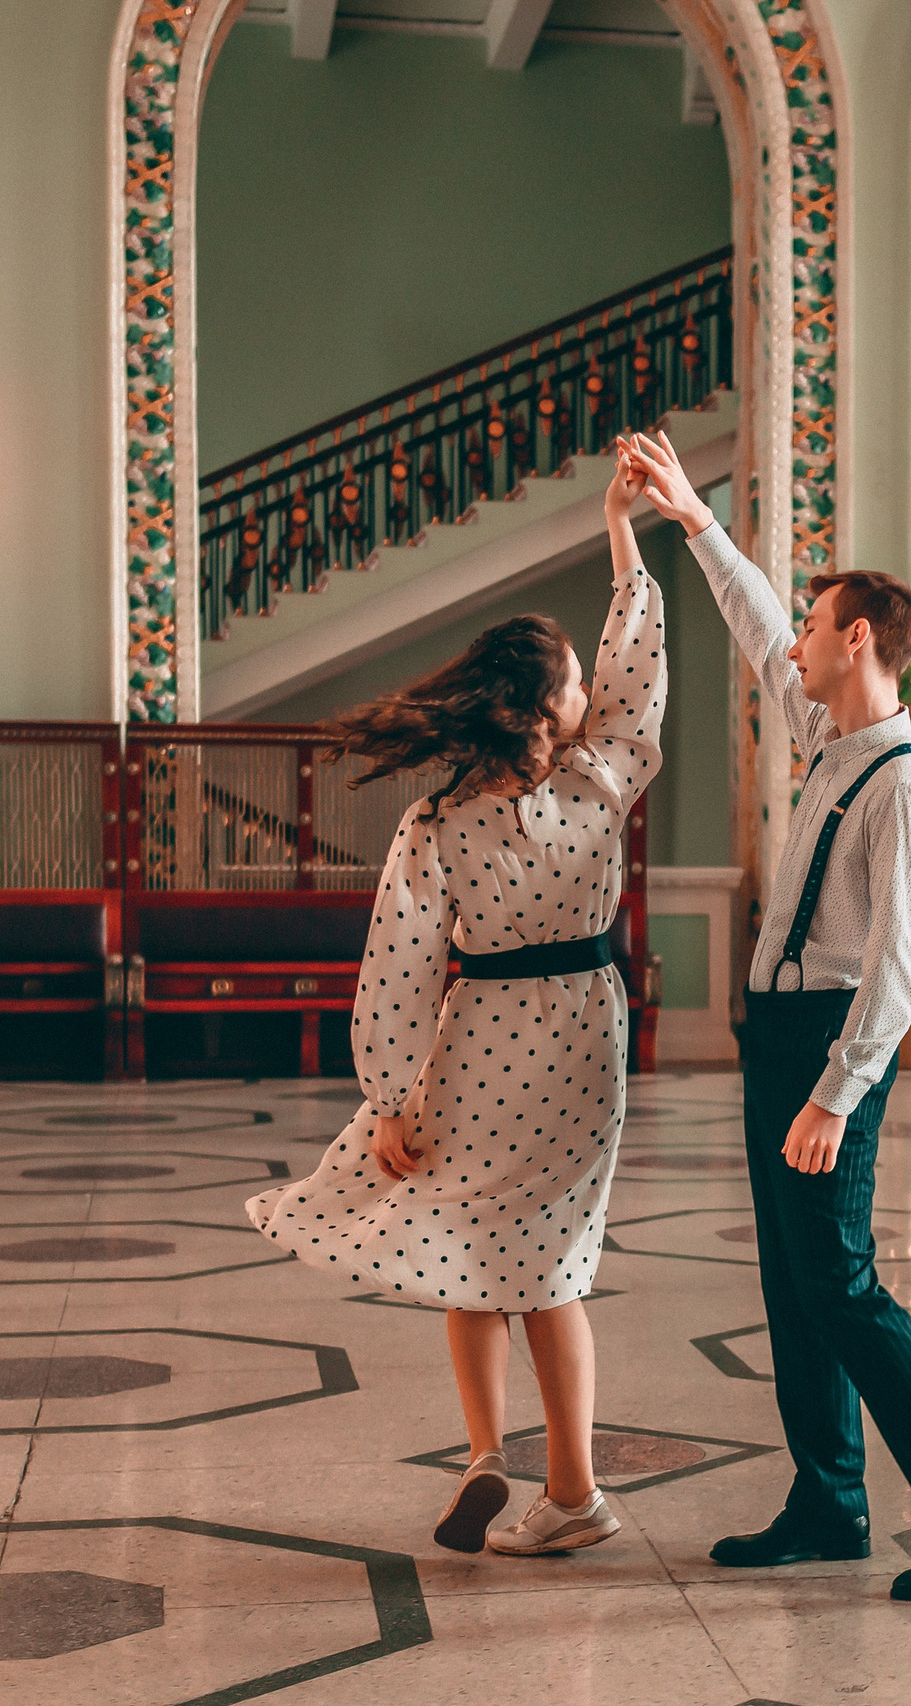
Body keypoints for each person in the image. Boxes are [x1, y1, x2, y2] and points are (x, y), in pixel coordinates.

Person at [619, 429, 911, 1602]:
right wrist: (695, 522)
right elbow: (757, 633)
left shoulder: (903, 784)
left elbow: (898, 971)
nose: (794, 637)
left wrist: (830, 1096)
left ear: (858, 639)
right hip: (779, 1037)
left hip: (828, 1049)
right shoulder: (829, 739)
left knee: (843, 1284)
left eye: (815, 622)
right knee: (793, 1284)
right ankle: (829, 1500)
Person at [247, 452, 665, 1559]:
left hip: (473, 1040)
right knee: (553, 1266)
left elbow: (396, 961)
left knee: (465, 1249)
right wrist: (623, 534)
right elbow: (638, 673)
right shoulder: (600, 781)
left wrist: (387, 1094)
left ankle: (486, 1453)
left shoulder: (434, 823)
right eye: (573, 681)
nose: (590, 693)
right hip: (581, 1032)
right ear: (546, 705)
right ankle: (572, 1487)